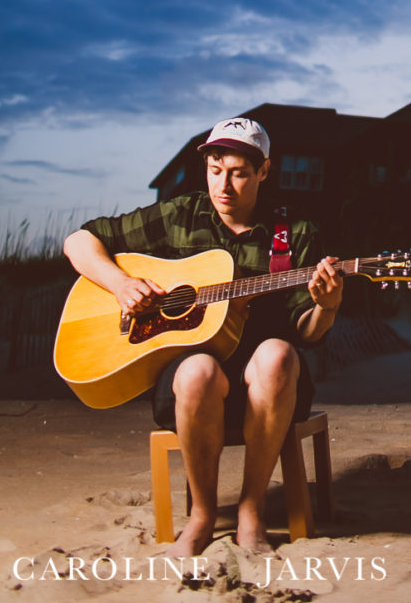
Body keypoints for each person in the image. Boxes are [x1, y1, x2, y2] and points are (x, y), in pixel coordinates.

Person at [62, 116, 343, 555]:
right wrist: (120, 284)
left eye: (238, 173)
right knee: (197, 370)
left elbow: (307, 333)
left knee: (277, 355)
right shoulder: (181, 215)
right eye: (215, 170)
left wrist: (326, 306)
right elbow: (79, 242)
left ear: (264, 172)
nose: (224, 186)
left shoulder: (294, 234)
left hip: (268, 384)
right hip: (189, 384)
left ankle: (251, 509)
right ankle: (203, 516)